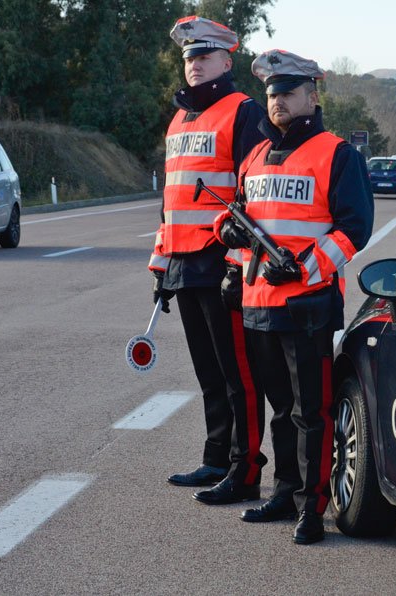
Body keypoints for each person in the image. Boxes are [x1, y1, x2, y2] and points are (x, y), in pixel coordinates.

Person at [212, 49, 374, 544]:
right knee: (280, 408)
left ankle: (312, 507)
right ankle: (282, 493)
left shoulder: (337, 153)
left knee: (311, 412)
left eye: (287, 92)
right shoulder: (255, 156)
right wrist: (228, 239)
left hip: (307, 305)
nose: (277, 101)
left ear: (311, 95)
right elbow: (236, 217)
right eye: (271, 93)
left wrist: (304, 268)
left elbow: (354, 229)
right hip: (259, 304)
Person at [148, 16, 266, 504]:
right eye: (189, 57)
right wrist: (161, 267)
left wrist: (239, 266)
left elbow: (253, 195)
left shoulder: (243, 111)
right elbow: (170, 201)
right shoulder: (179, 118)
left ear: (226, 60)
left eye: (204, 56)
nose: (194, 65)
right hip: (182, 263)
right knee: (208, 372)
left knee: (238, 373)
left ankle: (245, 470)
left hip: (221, 266)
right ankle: (216, 458)